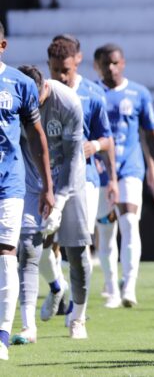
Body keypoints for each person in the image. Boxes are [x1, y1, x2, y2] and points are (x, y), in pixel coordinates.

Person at [15, 65, 91, 340]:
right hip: (33, 179)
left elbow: (72, 156)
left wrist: (58, 202)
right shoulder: (15, 97)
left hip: (71, 181)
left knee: (77, 253)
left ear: (44, 86)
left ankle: (78, 319)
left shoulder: (68, 101)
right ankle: (28, 325)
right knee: (27, 247)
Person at [94, 43, 154, 308]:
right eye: (105, 63)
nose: (110, 68)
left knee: (129, 223)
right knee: (106, 229)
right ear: (97, 65)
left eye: (115, 63)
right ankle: (111, 288)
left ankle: (130, 286)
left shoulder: (139, 93)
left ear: (123, 63)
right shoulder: (91, 93)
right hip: (100, 171)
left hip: (131, 168)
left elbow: (151, 134)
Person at [0, 21, 54, 360]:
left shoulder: (19, 84)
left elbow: (36, 136)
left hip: (9, 182)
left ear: (2, 46)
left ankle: (2, 335)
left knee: (5, 253)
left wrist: (48, 186)